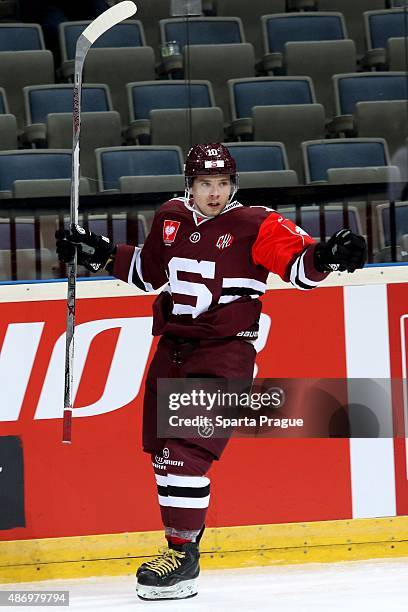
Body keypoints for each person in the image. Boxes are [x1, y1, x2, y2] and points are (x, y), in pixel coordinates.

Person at [55, 143, 367, 601]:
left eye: (223, 184)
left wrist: (327, 257)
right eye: (206, 183)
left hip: (225, 352)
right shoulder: (170, 217)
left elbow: (298, 267)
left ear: (233, 185)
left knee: (185, 452)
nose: (215, 193)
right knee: (164, 456)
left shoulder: (257, 223)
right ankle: (182, 547)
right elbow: (149, 273)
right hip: (175, 348)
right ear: (190, 184)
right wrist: (97, 252)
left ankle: (183, 557)